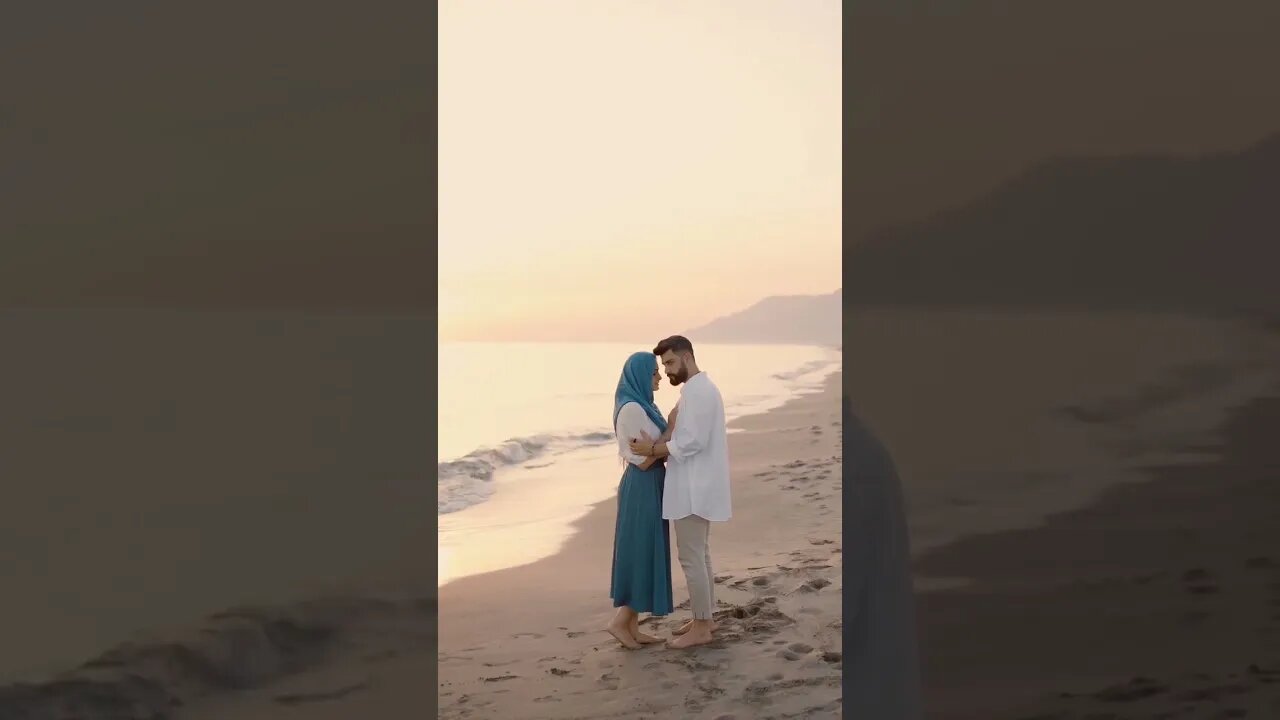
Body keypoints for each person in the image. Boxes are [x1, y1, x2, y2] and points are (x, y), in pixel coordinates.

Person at [629, 335, 731, 649]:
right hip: (696, 485)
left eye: (671, 363)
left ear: (687, 357)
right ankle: (706, 617)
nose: (668, 371)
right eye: (663, 366)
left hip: (694, 488)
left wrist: (653, 449)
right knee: (700, 554)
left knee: (691, 558)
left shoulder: (699, 391)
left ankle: (701, 627)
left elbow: (692, 442)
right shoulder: (697, 390)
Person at [607, 351, 676, 648]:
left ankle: (632, 627)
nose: (659, 376)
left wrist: (660, 445)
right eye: (653, 373)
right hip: (643, 485)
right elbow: (644, 459)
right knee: (640, 551)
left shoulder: (642, 405)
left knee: (643, 550)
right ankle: (620, 622)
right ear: (639, 376)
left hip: (650, 484)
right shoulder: (633, 409)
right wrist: (672, 433)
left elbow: (651, 449)